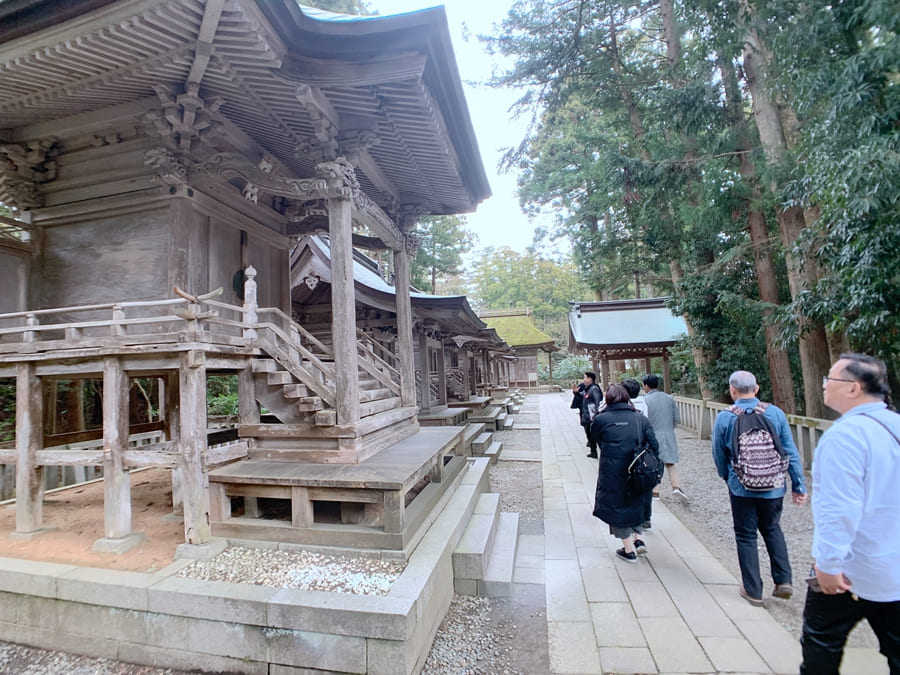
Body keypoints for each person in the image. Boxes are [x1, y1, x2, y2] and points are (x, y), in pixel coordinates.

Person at [800, 353, 900, 674]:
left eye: (831, 379)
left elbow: (838, 509)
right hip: (894, 566)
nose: (824, 385)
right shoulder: (895, 426)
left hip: (853, 568)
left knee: (821, 647)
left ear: (854, 388)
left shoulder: (845, 436)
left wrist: (827, 563)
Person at [712, 370, 807, 606]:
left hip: (742, 486)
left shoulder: (726, 417)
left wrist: (728, 477)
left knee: (745, 534)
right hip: (774, 485)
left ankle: (753, 590)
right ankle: (783, 580)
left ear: (732, 390)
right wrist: (798, 484)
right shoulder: (774, 413)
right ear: (756, 389)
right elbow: (789, 451)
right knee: (772, 528)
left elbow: (718, 454)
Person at [591, 383, 660, 563]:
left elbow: (598, 440)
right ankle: (639, 539)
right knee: (636, 502)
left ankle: (628, 549)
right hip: (638, 470)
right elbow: (654, 445)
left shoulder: (601, 419)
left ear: (608, 399)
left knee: (617, 506)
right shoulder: (640, 419)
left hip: (612, 470)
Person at [642, 374, 687, 502]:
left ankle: (655, 491)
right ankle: (676, 486)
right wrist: (669, 428)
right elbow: (676, 418)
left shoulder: (645, 400)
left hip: (652, 434)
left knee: (654, 463)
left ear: (646, 386)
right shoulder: (669, 398)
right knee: (670, 462)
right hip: (668, 433)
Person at [623, 378, 654, 529]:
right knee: (644, 483)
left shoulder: (624, 406)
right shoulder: (644, 404)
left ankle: (632, 516)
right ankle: (646, 516)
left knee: (629, 483)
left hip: (628, 448)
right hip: (643, 447)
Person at [575, 372, 602, 458]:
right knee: (589, 435)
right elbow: (582, 395)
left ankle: (600, 451)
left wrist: (595, 416)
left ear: (590, 379)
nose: (584, 380)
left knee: (594, 435)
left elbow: (597, 403)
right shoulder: (587, 389)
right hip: (587, 416)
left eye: (585, 378)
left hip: (592, 417)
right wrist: (576, 392)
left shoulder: (594, 389)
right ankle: (593, 452)